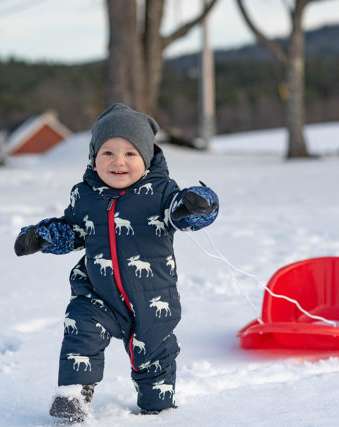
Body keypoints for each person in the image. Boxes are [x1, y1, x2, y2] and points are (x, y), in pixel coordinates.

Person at [14, 103, 219, 422]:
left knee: (155, 354)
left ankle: (158, 406)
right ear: (94, 157)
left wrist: (198, 206)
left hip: (152, 297)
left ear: (147, 157)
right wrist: (42, 236)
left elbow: (182, 214)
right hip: (97, 291)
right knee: (79, 331)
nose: (118, 162)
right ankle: (73, 395)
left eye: (130, 153)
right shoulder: (85, 195)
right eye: (107, 152)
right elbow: (73, 229)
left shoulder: (162, 192)